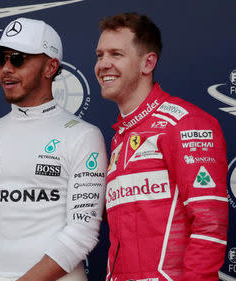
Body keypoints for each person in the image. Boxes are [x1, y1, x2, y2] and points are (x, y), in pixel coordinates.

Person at [0, 17, 107, 281]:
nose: (6, 68)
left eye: (18, 59)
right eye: (0, 59)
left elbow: (82, 231)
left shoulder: (83, 136)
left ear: (50, 67)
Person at [94, 13, 229, 280]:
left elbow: (209, 226)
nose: (103, 64)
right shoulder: (120, 137)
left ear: (148, 63)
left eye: (116, 54)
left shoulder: (185, 123)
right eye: (99, 55)